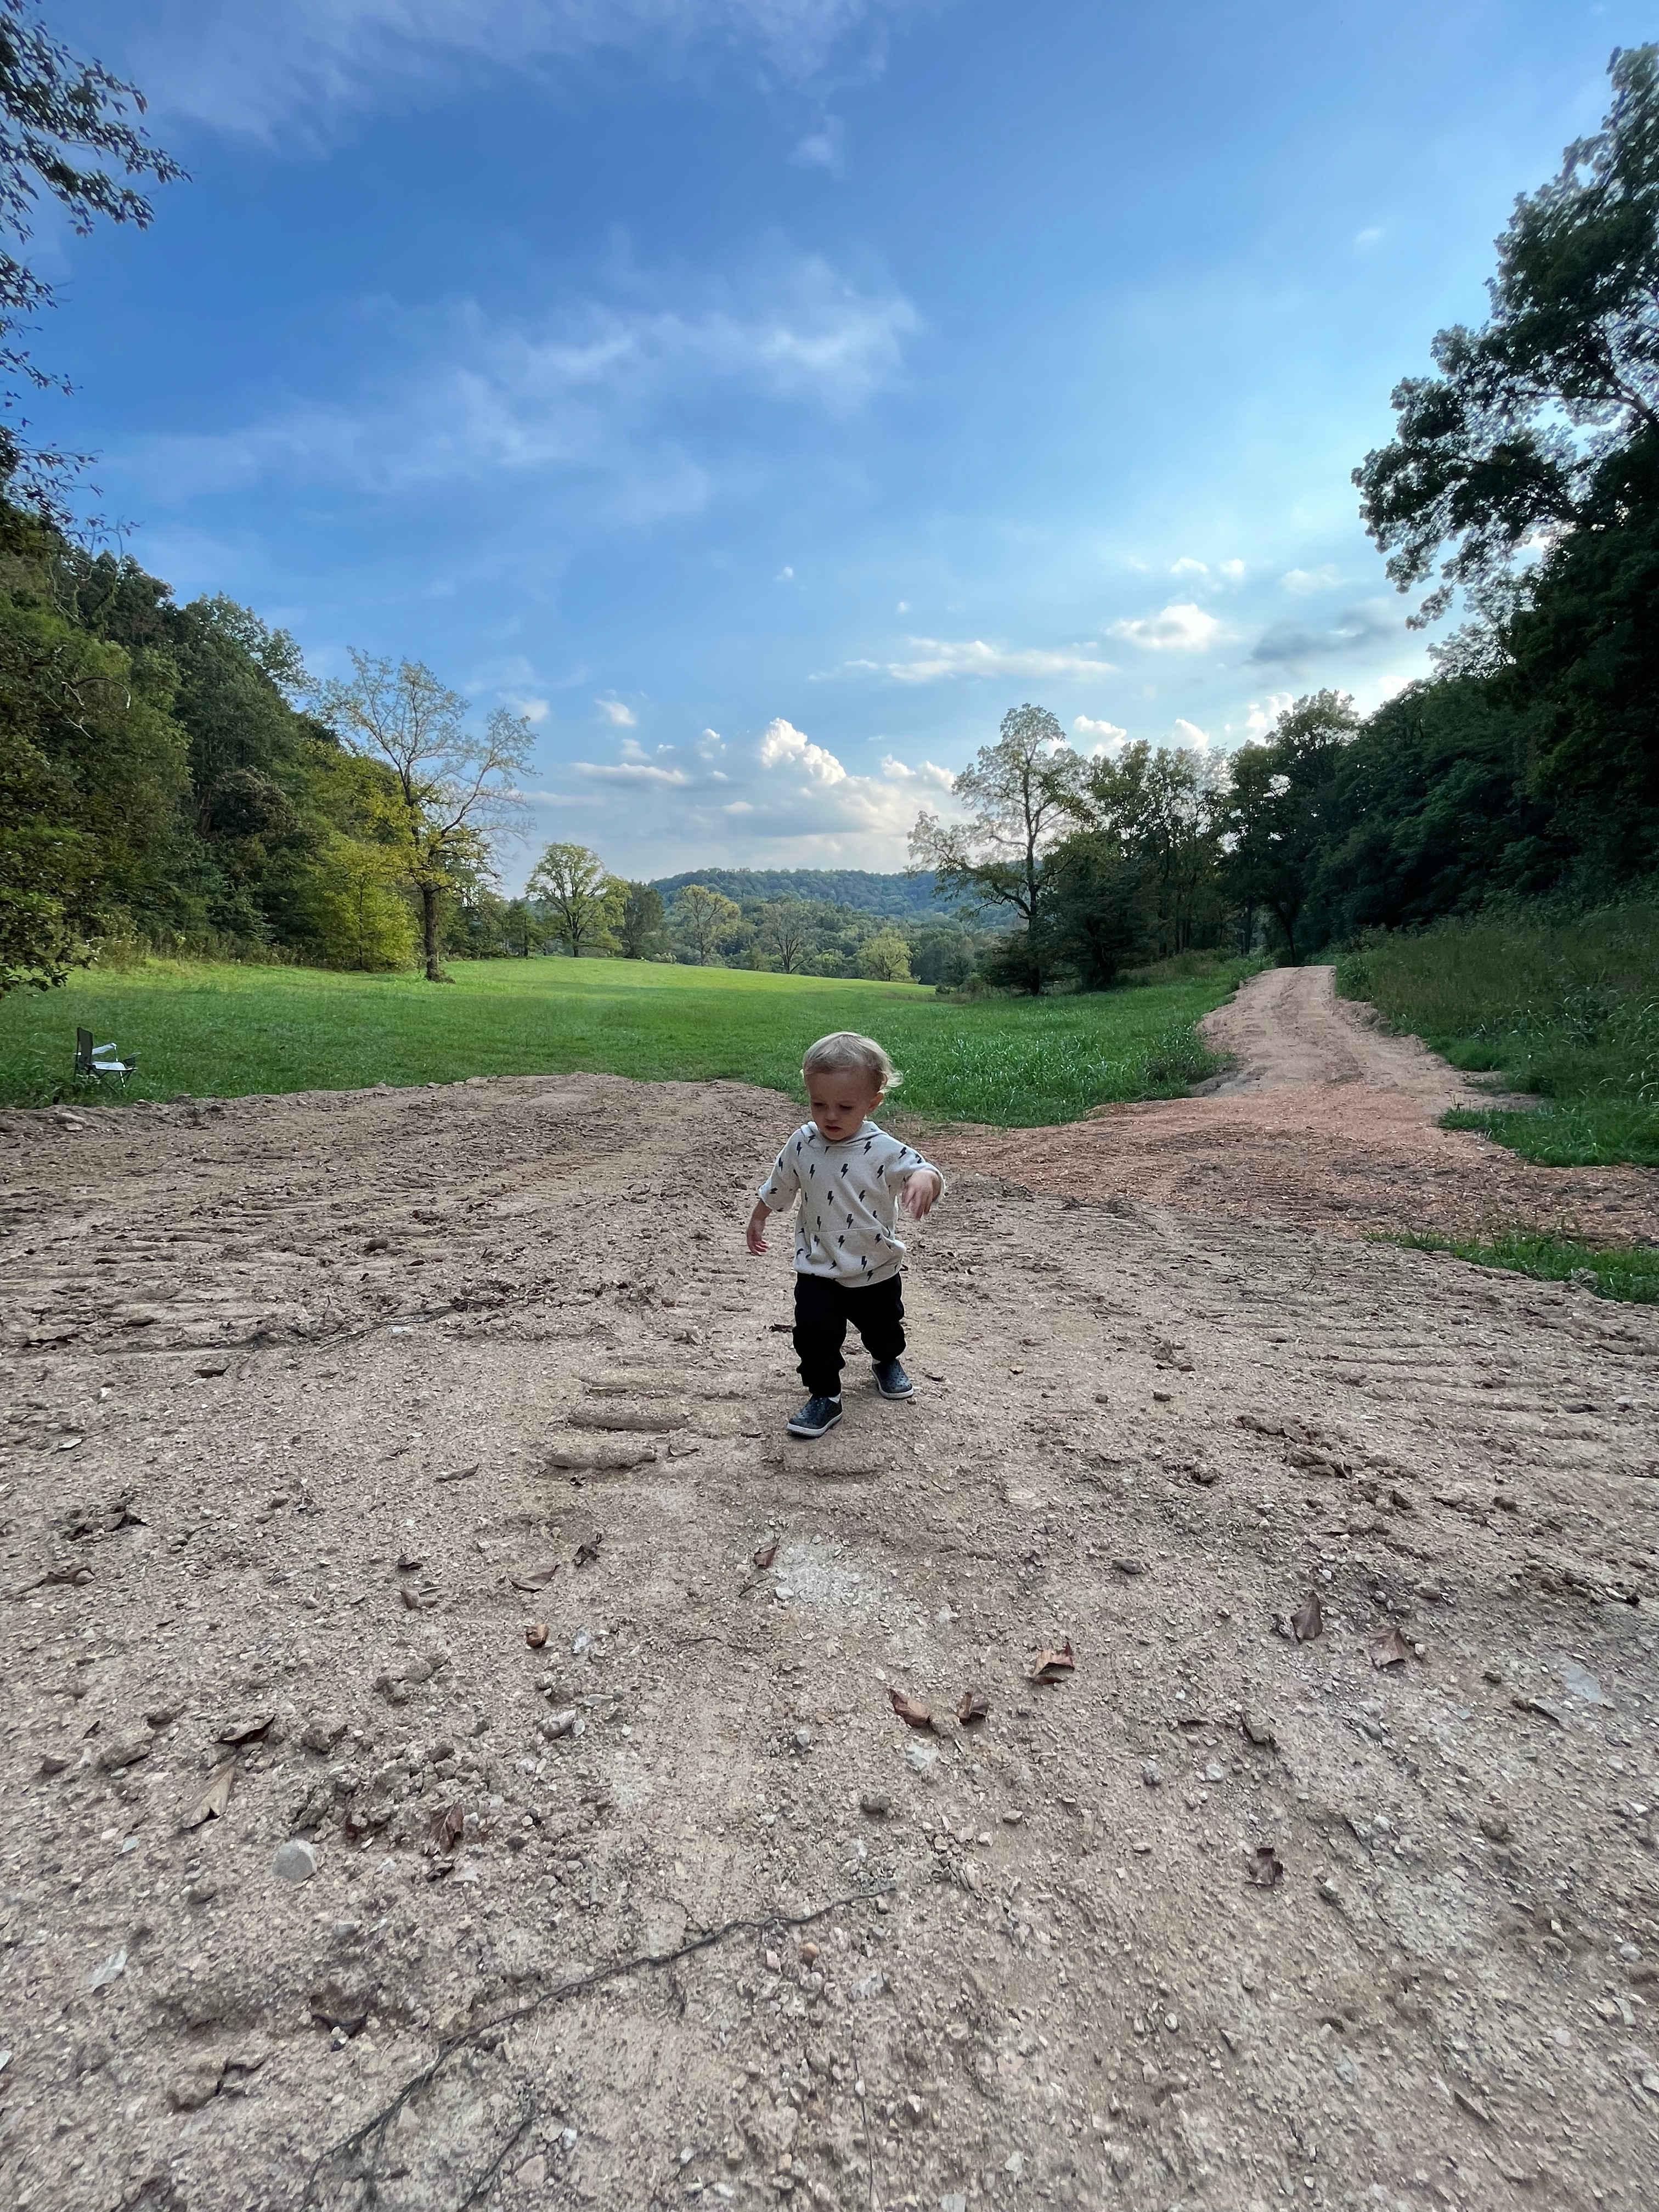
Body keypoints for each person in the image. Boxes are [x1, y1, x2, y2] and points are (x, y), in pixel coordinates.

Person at [746, 1030, 945, 1439]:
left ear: (873, 1104)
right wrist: (760, 1216)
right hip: (818, 1268)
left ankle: (886, 1361)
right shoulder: (802, 1144)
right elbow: (779, 1185)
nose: (830, 1116)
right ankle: (825, 1395)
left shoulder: (884, 1148)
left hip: (876, 1266)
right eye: (819, 1104)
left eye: (845, 1106)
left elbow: (923, 1169)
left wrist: (926, 1180)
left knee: (885, 1327)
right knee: (813, 1335)